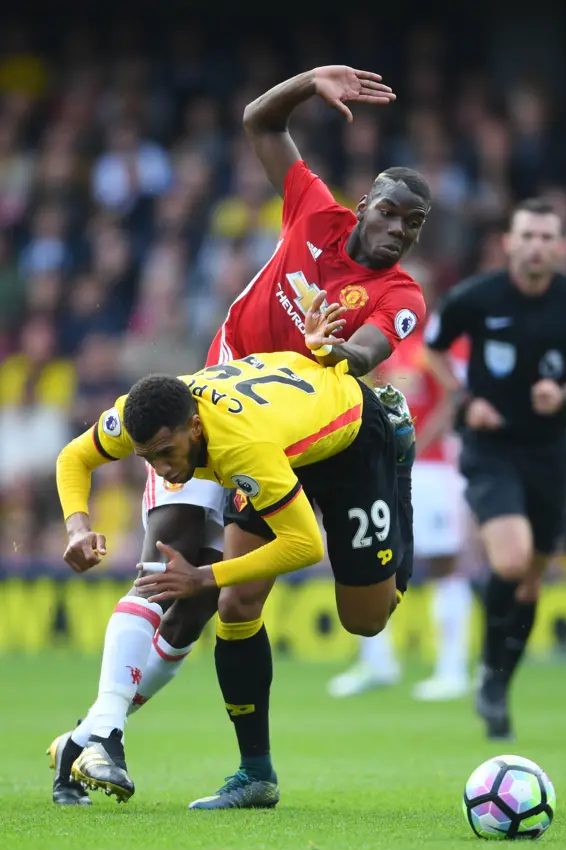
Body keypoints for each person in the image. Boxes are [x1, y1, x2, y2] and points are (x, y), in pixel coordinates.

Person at [49, 65, 432, 808]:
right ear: (365, 205)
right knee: (214, 591)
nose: (397, 233)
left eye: (413, 227)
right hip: (231, 420)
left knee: (367, 619)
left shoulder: (399, 293)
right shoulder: (315, 215)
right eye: (389, 214)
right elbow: (260, 122)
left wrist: (336, 348)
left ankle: (400, 470)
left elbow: (373, 351)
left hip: (343, 437)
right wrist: (307, 82)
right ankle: (239, 767)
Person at [55, 345, 409, 803]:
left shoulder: (240, 447)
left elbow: (304, 545)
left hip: (350, 438)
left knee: (367, 619)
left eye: (167, 453)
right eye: (148, 459)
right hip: (279, 436)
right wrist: (78, 527)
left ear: (195, 428)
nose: (162, 469)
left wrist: (204, 576)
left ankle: (401, 458)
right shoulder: (143, 413)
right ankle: (256, 774)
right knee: (236, 602)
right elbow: (73, 458)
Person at [425, 198, 566, 739]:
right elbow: (434, 351)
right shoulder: (475, 298)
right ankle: (489, 669)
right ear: (508, 242)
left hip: (551, 451)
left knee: (531, 582)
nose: (534, 246)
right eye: (525, 235)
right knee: (510, 561)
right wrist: (464, 400)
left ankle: (498, 684)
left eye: (545, 237)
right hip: (491, 446)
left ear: (561, 247)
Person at [327, 329, 473, 701]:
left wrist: (415, 447)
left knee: (443, 563)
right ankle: (378, 662)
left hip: (430, 468)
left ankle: (452, 668)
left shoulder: (436, 349)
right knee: (372, 558)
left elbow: (454, 399)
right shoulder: (379, 351)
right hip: (382, 469)